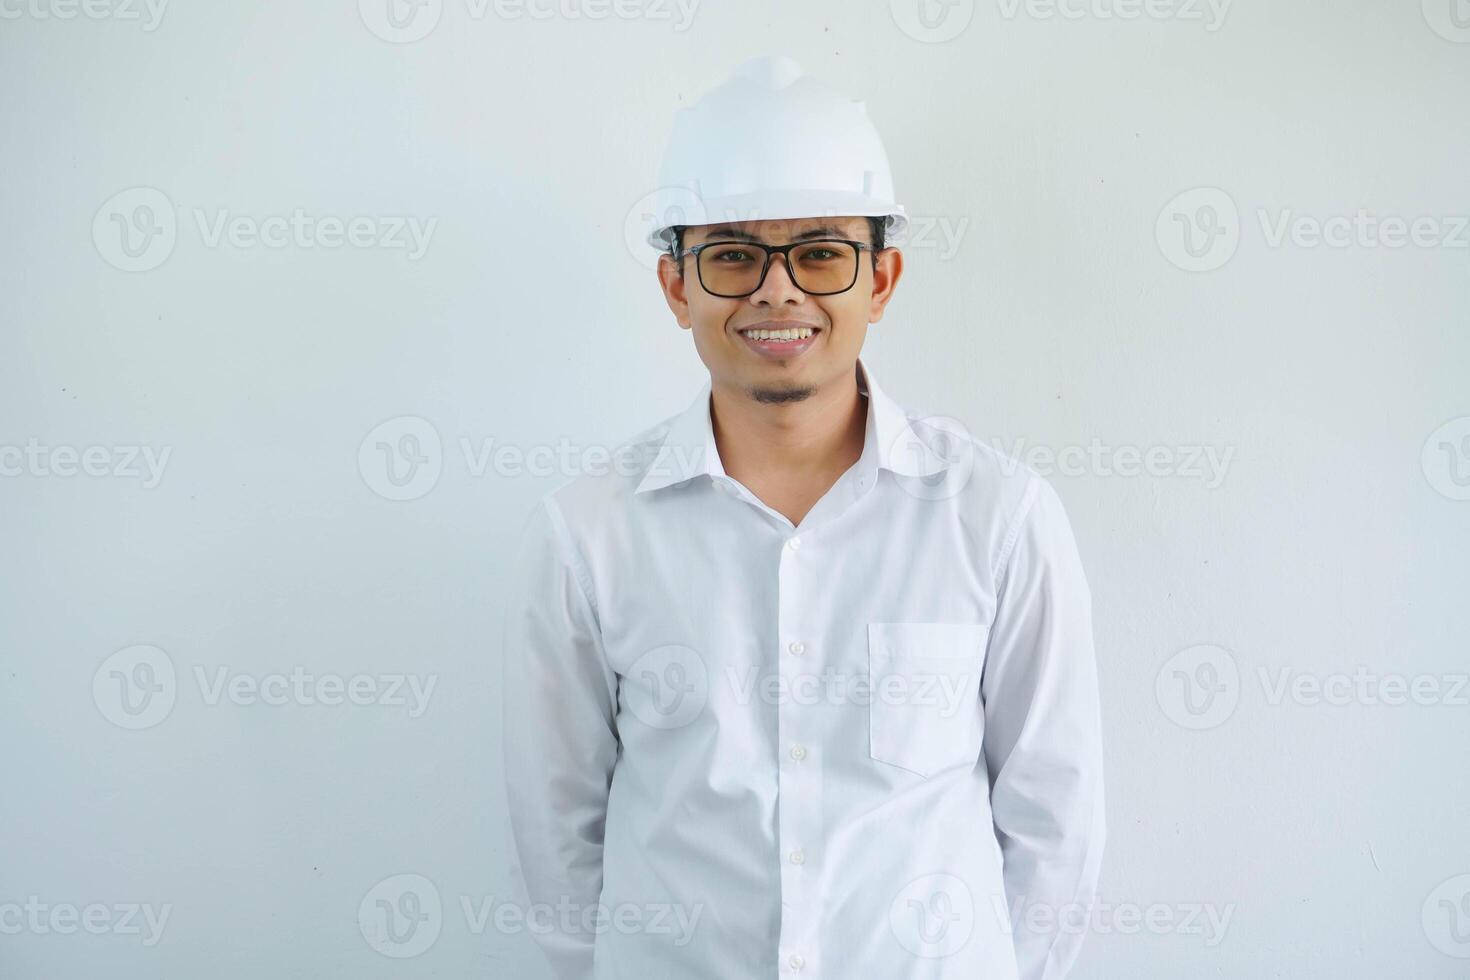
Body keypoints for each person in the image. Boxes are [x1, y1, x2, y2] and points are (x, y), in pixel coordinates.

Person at [502, 54, 1105, 980]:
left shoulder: (998, 517)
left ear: (881, 278)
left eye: (821, 251)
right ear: (677, 287)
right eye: (733, 255)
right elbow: (558, 837)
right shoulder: (589, 535)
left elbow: (1054, 823)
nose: (778, 292)